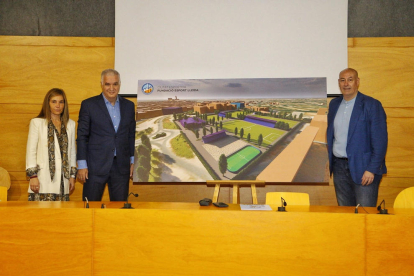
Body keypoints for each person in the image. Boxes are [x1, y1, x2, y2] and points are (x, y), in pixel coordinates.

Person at [327, 68, 388, 207]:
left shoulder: (372, 105)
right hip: (339, 167)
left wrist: (371, 169)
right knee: (346, 214)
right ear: (338, 83)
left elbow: (380, 142)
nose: (346, 83)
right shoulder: (334, 104)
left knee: (365, 215)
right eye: (342, 80)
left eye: (350, 79)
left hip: (364, 169)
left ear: (357, 82)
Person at [77, 69, 135, 201]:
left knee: (119, 210)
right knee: (90, 208)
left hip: (121, 167)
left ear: (119, 84)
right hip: (94, 167)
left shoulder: (129, 106)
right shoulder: (89, 105)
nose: (112, 88)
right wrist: (82, 165)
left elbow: (131, 135)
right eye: (108, 84)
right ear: (101, 84)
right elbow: (82, 136)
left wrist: (133, 161)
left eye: (115, 84)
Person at [26, 88, 77, 201]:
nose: (57, 105)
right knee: (40, 216)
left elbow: (72, 152)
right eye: (54, 101)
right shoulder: (37, 123)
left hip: (63, 180)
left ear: (64, 104)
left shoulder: (71, 124)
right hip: (42, 178)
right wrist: (33, 176)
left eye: (61, 102)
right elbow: (31, 151)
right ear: (47, 103)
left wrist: (72, 176)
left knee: (60, 217)